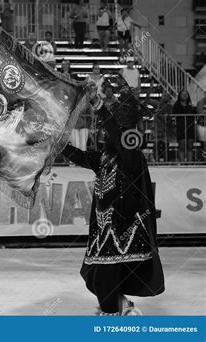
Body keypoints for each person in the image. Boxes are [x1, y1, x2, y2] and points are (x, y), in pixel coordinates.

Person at [61, 86, 165, 316]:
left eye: (107, 131)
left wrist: (99, 107)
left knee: (104, 276)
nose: (103, 134)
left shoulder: (132, 158)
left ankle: (113, 318)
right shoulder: (105, 158)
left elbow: (118, 136)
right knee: (95, 276)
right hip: (104, 231)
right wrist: (59, 145)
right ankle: (120, 306)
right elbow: (81, 156)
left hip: (123, 232)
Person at [172, 89, 199, 162]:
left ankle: (190, 162)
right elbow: (174, 115)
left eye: (186, 94)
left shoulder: (191, 105)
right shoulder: (176, 105)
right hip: (181, 127)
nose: (184, 96)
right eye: (183, 94)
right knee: (182, 146)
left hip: (190, 127)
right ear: (180, 95)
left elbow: (195, 115)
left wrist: (193, 108)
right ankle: (182, 162)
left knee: (190, 146)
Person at [148, 89, 174, 162]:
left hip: (166, 128)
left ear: (169, 97)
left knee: (166, 146)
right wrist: (150, 89)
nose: (165, 97)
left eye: (167, 96)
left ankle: (166, 161)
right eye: (164, 95)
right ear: (161, 96)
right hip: (156, 128)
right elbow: (148, 100)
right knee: (156, 145)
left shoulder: (171, 106)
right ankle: (156, 161)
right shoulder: (157, 103)